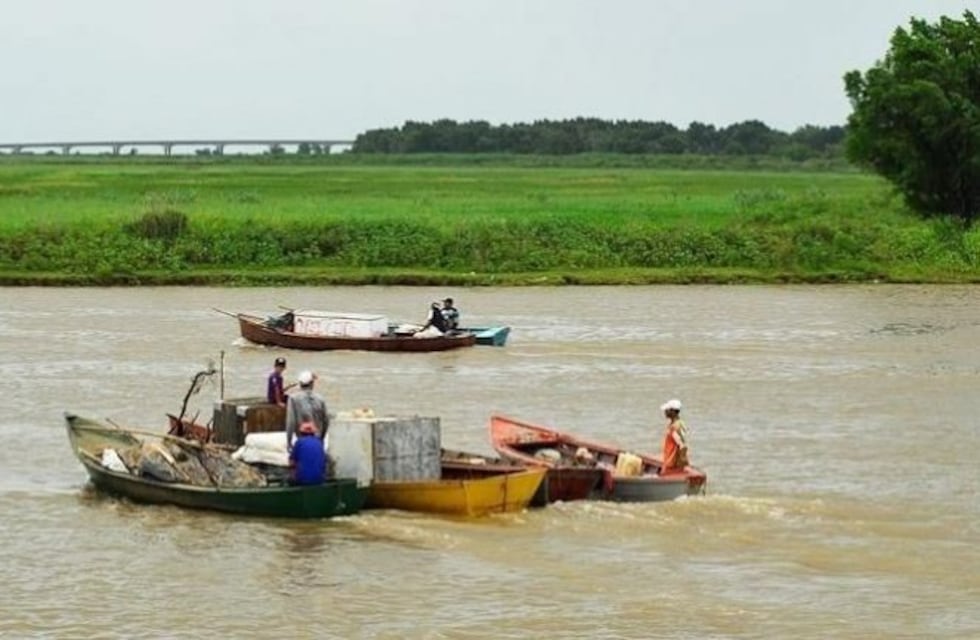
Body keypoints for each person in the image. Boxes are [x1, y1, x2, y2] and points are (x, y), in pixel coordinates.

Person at [285, 370, 329, 451]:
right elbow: (326, 420)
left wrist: (289, 441)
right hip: (317, 440)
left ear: (300, 384)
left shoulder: (293, 399)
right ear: (312, 383)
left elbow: (291, 422)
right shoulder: (320, 399)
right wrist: (321, 438)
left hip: (302, 440)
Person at [288, 418, 326, 485]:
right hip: (319, 479)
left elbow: (292, 462)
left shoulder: (299, 442)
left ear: (301, 432)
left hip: (303, 480)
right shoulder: (319, 443)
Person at [659, 398, 689, 474]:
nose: (665, 412)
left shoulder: (674, 427)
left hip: (671, 465)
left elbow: (682, 446)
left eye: (667, 410)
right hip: (672, 463)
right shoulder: (680, 423)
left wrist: (678, 462)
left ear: (673, 411)